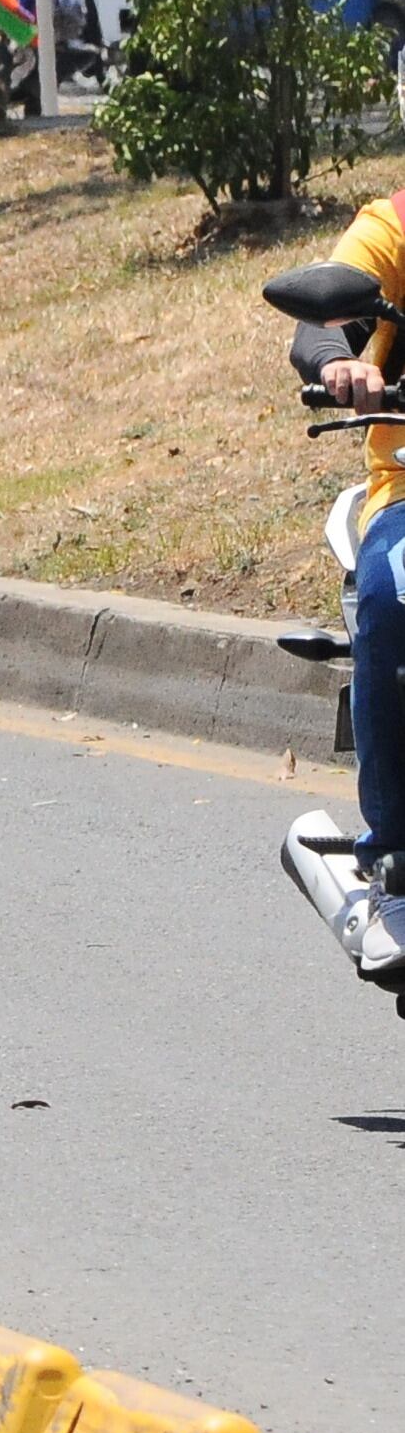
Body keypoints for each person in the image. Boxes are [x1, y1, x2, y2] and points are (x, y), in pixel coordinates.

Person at [292, 201, 405, 971]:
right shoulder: (395, 225)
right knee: (394, 599)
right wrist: (341, 361)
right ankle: (392, 861)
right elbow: (317, 323)